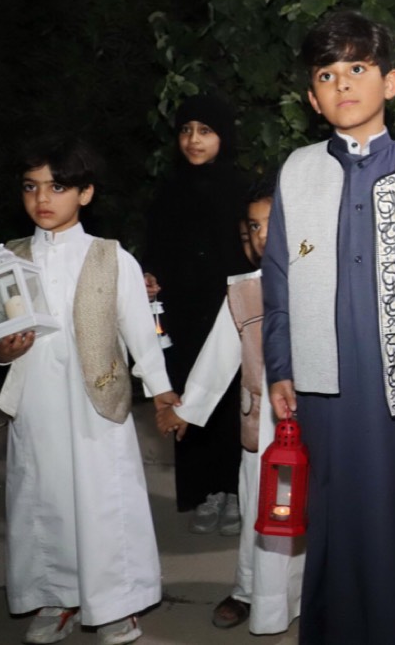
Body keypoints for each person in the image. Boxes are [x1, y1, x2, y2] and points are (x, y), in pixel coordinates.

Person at [263, 9, 395, 645]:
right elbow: (277, 280)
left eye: (357, 68)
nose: (343, 84)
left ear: (391, 81)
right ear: (312, 97)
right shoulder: (296, 172)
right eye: (327, 74)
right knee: (337, 525)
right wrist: (280, 366)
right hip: (326, 395)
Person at [0, 137, 177, 645]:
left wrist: (161, 391)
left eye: (57, 187)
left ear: (86, 193)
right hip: (35, 402)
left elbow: (140, 332)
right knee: (42, 498)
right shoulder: (7, 258)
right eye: (31, 187)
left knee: (104, 499)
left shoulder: (110, 257)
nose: (42, 198)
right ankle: (57, 597)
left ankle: (117, 604)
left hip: (97, 402)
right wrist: (2, 352)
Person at [156, 172, 304, 634]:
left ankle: (309, 597)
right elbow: (219, 355)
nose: (261, 236)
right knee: (262, 506)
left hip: (317, 424)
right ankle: (251, 593)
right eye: (254, 226)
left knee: (312, 511)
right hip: (263, 427)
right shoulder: (244, 291)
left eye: (272, 222)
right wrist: (186, 408)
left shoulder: (326, 281)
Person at [143, 93, 252, 533]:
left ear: (223, 136)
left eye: (205, 131)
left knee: (229, 399)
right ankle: (204, 492)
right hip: (182, 311)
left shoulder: (241, 189)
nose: (194, 140)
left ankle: (234, 490)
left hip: (228, 307)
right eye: (186, 130)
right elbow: (154, 246)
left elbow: (253, 248)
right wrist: (148, 275)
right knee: (188, 391)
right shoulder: (168, 190)